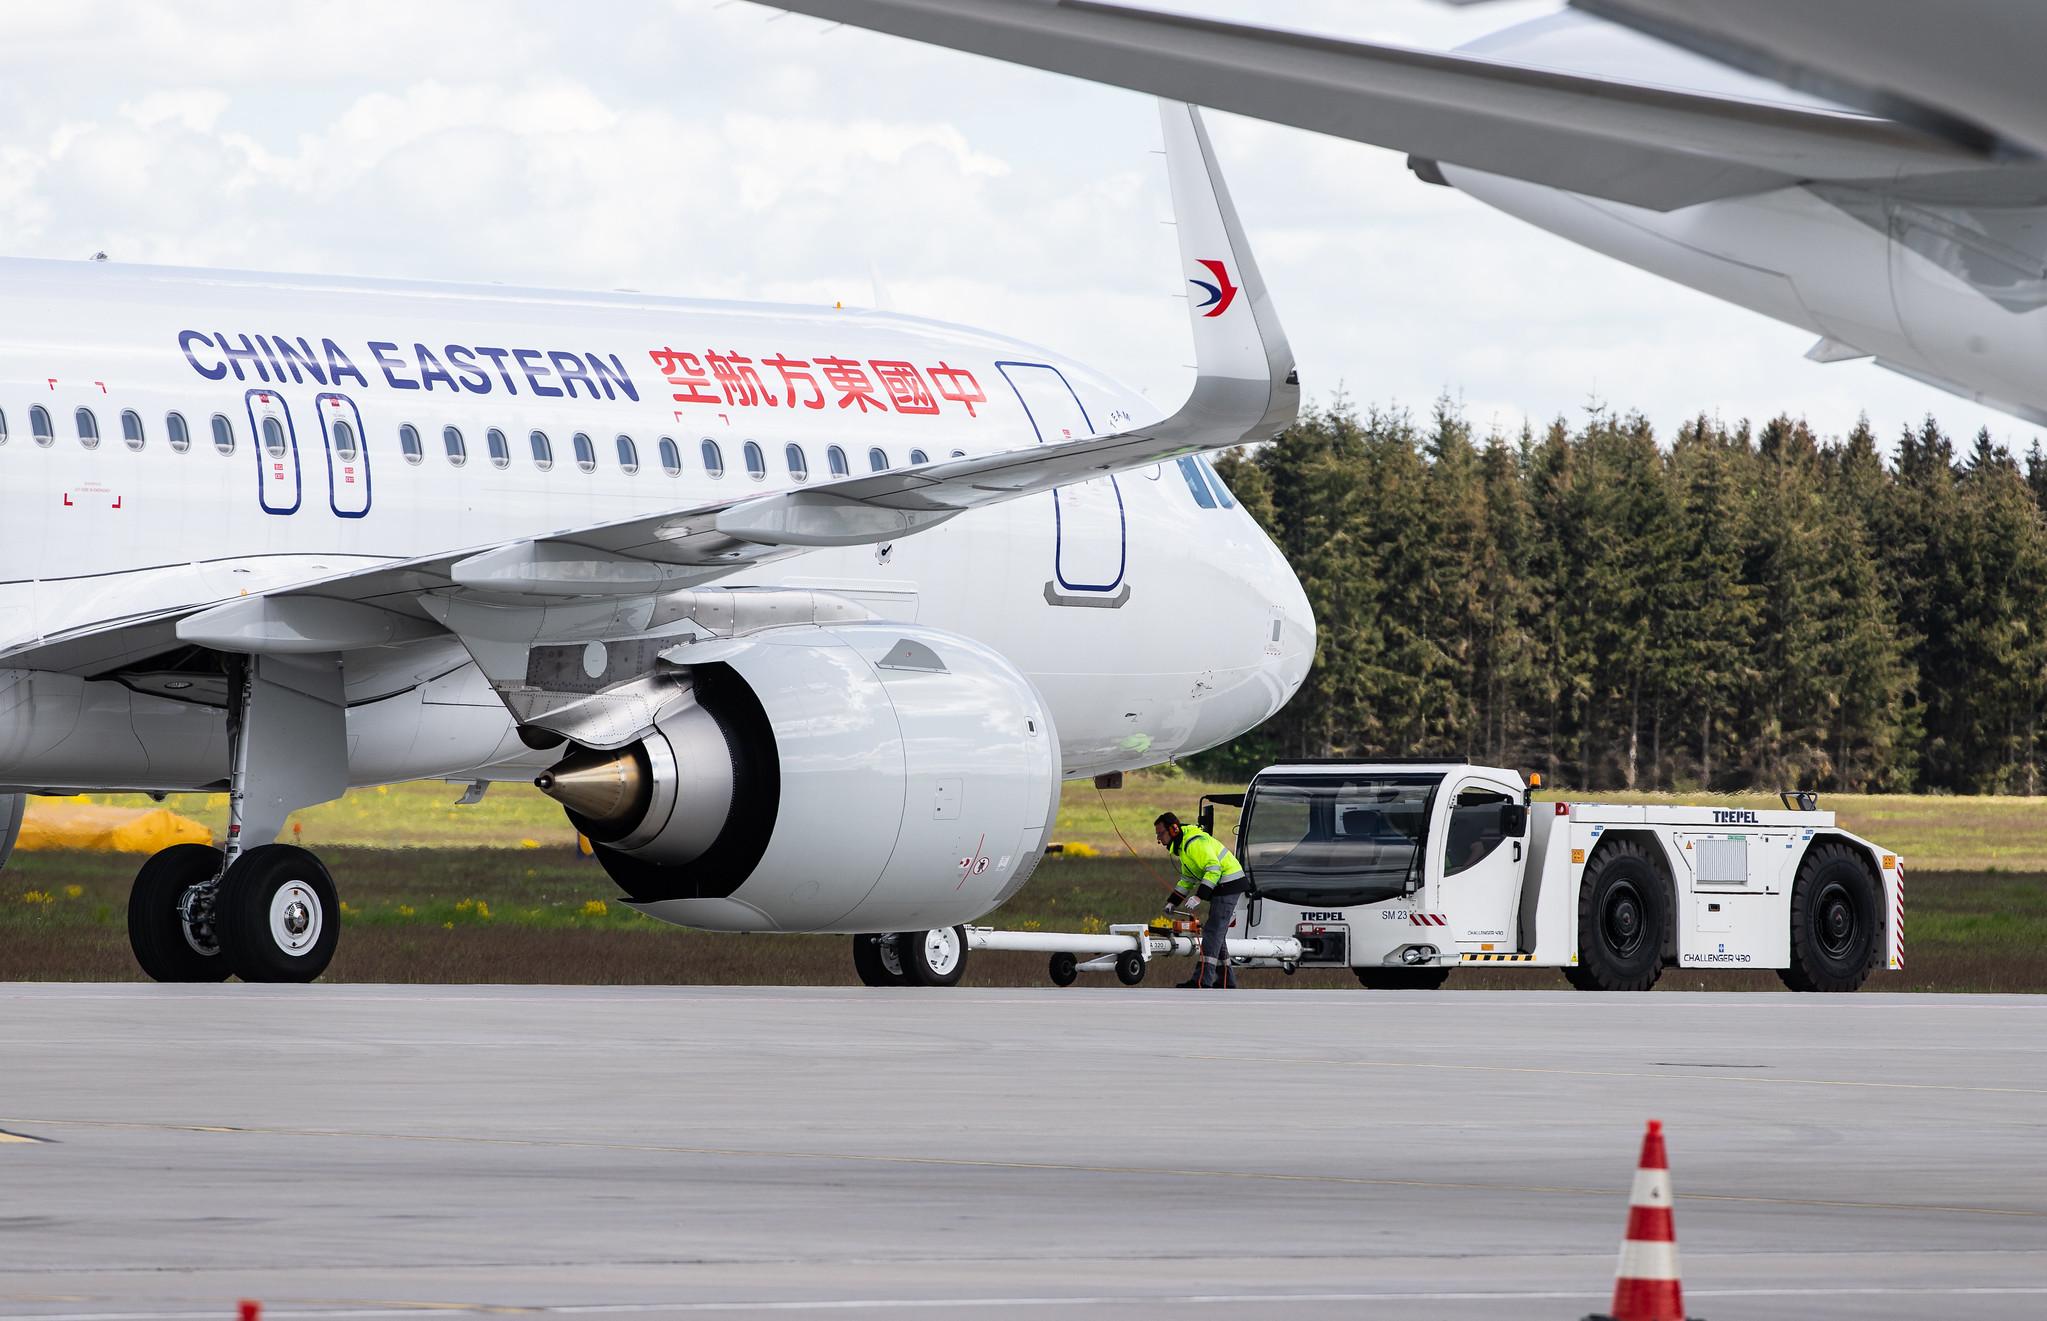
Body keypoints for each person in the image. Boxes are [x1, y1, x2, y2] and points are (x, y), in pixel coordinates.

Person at [1154, 811, 1249, 988]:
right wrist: (1172, 902)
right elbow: (1187, 879)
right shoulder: (1183, 847)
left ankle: (1201, 980)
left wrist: (1199, 896)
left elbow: (1214, 869)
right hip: (1222, 886)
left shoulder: (1194, 843)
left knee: (1212, 932)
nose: (1159, 839)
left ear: (1174, 830)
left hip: (1228, 884)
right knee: (1216, 932)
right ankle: (1226, 980)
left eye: (1161, 833)